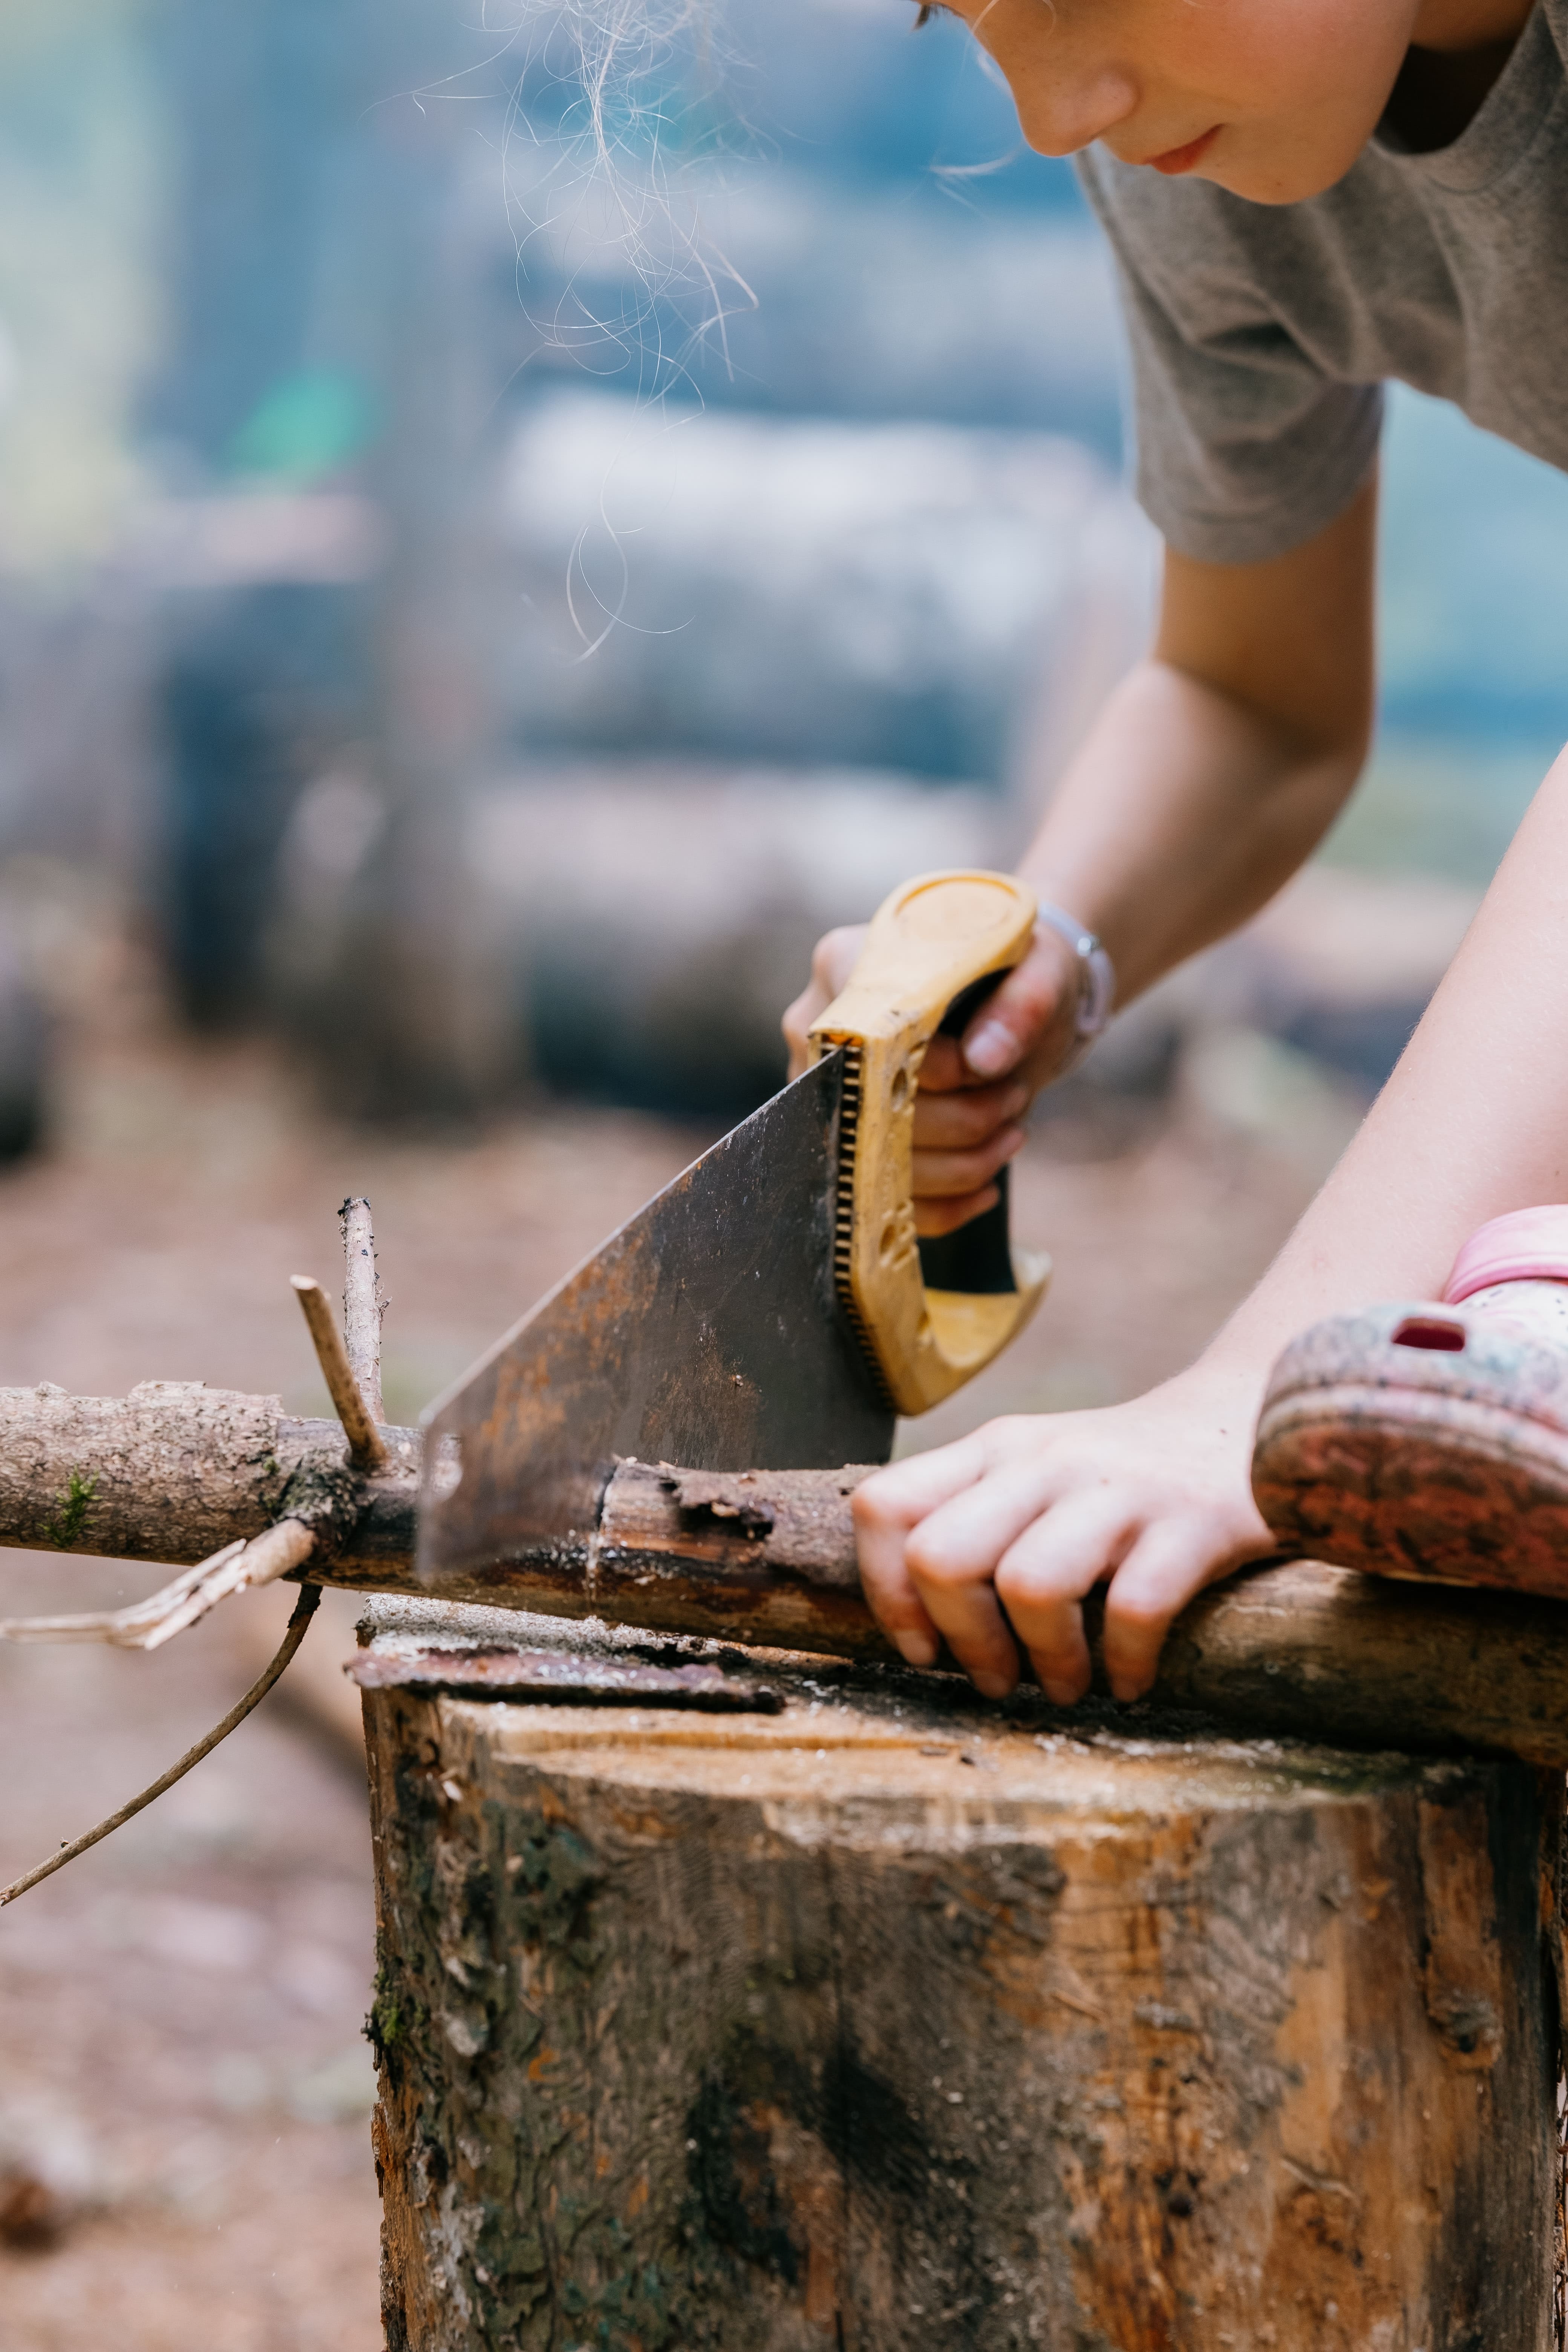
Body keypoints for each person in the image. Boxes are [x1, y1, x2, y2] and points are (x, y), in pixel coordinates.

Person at [782, 0, 1568, 1707]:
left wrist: (1260, 1394)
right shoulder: (1198, 149)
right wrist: (1048, 950)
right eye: (966, 16)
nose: (1050, 115)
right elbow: (1252, 699)